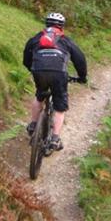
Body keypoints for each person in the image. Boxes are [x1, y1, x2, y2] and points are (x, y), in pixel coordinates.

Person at [23, 12, 87, 151]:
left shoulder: (36, 38)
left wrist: (32, 69)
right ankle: (55, 139)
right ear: (62, 27)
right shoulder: (66, 40)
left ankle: (33, 124)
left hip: (38, 71)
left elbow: (26, 57)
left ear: (46, 24)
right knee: (59, 106)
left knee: (40, 95)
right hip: (59, 74)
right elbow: (80, 60)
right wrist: (82, 77)